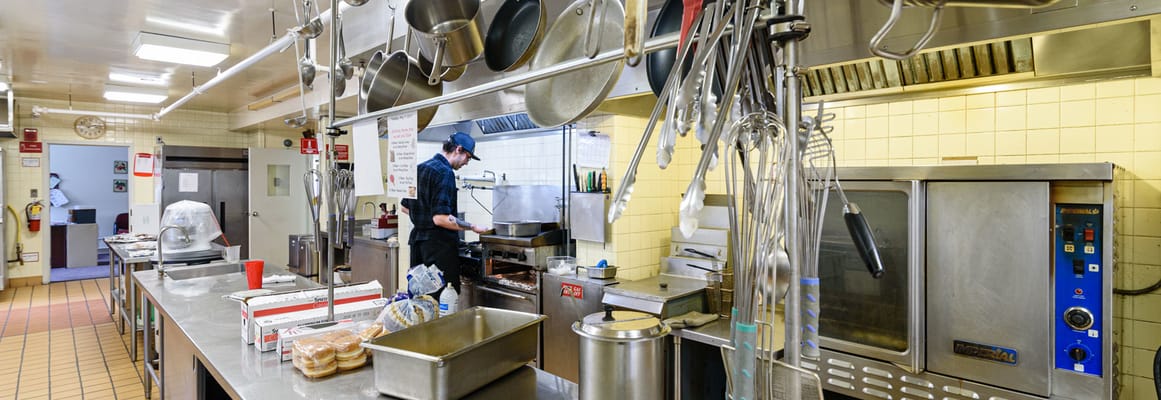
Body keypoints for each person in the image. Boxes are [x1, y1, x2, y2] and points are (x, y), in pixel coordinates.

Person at [400, 132, 489, 299]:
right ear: (458, 149)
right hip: (438, 248)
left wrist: (424, 215)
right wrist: (472, 226)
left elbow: (405, 207)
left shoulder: (419, 168)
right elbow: (440, 218)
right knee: (441, 299)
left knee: (420, 297)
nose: (466, 163)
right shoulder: (445, 173)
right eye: (467, 158)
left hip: (418, 245)